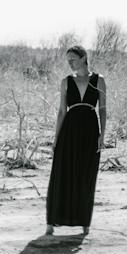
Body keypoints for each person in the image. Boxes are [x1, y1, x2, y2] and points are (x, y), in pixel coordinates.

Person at [44, 44, 107, 236]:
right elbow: (62, 111)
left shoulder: (99, 80)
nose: (70, 63)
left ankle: (84, 222)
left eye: (73, 59)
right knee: (61, 173)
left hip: (90, 130)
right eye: (68, 60)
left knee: (86, 175)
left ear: (84, 58)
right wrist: (55, 139)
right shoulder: (66, 81)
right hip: (68, 131)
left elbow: (103, 110)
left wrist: (102, 136)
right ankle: (51, 223)